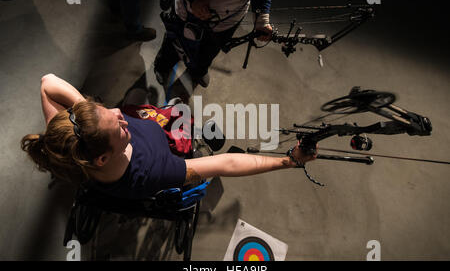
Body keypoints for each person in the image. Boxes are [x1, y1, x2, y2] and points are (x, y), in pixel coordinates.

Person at [21, 74, 316, 199]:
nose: (119, 113)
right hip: (165, 137)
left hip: (151, 125)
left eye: (109, 110)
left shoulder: (70, 140)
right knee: (185, 118)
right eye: (119, 126)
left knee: (167, 112)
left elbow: (48, 82)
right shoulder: (153, 171)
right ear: (103, 157)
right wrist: (288, 162)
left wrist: (87, 112)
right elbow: (226, 164)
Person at [154, 0, 273, 88]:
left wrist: (262, 18)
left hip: (228, 20)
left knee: (209, 50)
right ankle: (163, 65)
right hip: (189, 6)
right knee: (175, 42)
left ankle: (198, 71)